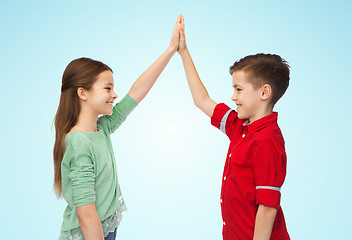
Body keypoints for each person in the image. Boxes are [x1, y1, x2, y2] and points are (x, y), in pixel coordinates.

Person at [53, 15, 182, 240]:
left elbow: (137, 92)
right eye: (108, 88)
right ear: (83, 93)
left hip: (104, 229)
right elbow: (86, 215)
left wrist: (171, 50)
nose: (115, 95)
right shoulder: (79, 142)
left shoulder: (102, 128)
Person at [177, 16, 290, 240]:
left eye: (238, 89)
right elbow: (202, 100)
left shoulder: (267, 141)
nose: (233, 97)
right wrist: (183, 52)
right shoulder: (240, 126)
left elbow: (267, 208)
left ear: (264, 93)